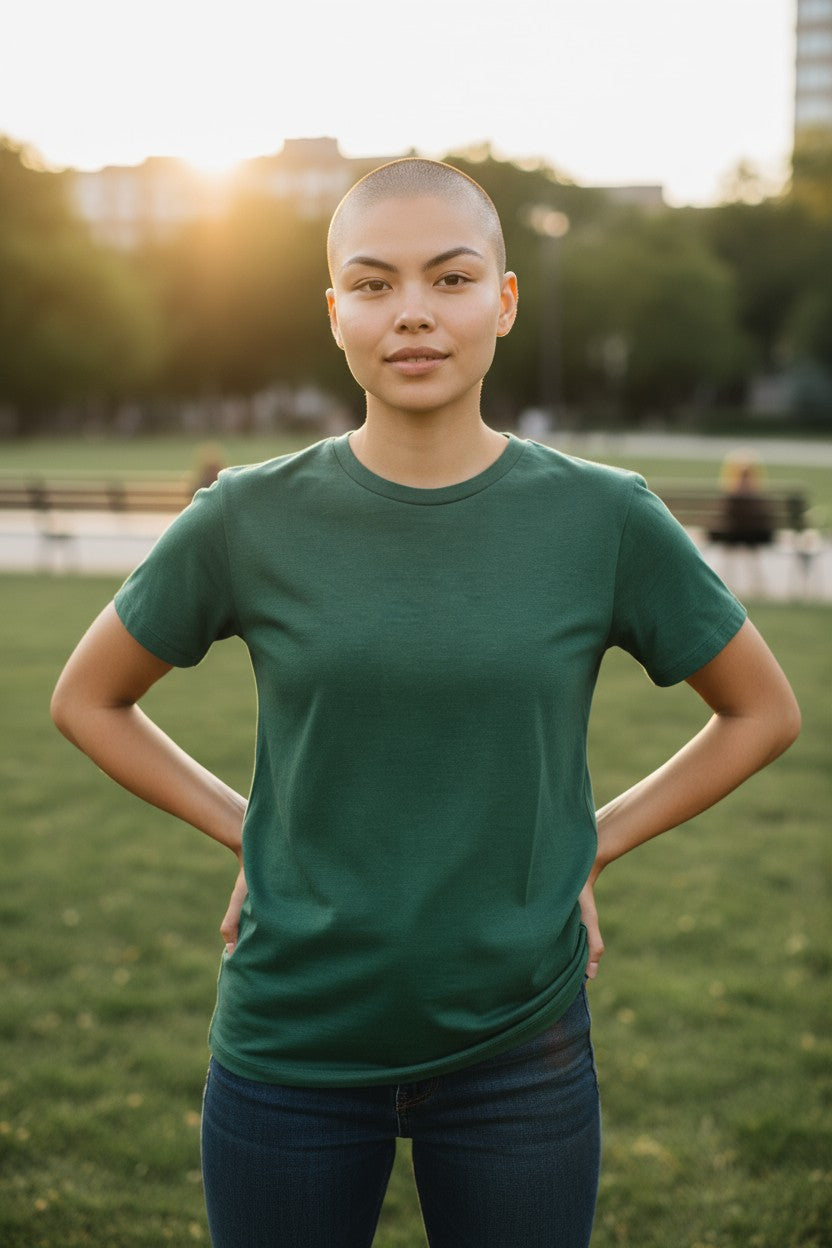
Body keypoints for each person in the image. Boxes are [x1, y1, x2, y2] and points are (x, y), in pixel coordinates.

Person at [51, 159, 800, 1248]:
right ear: (335, 315)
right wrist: (248, 831)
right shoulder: (245, 517)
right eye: (372, 284)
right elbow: (88, 700)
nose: (411, 313)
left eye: (449, 281)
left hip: (519, 1048)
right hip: (291, 1043)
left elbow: (761, 712)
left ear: (502, 301)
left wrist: (589, 846)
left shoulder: (603, 519)